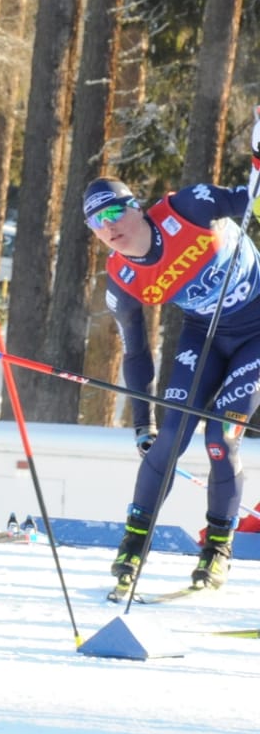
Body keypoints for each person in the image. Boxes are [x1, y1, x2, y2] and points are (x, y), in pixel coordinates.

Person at [87, 114, 260, 599]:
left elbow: (253, 202)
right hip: (203, 336)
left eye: (113, 212)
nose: (109, 228)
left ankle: (217, 551)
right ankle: (132, 547)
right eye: (96, 223)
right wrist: (141, 422)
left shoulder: (188, 207)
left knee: (219, 438)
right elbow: (136, 352)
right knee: (169, 440)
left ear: (135, 206)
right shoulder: (122, 279)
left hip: (256, 332)